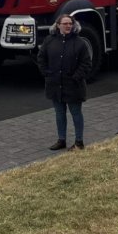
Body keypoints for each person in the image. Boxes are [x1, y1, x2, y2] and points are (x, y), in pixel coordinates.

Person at [36, 13, 91, 151]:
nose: (68, 26)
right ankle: (61, 140)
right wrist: (46, 73)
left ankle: (79, 142)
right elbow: (41, 58)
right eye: (65, 23)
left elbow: (86, 63)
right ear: (58, 25)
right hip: (55, 85)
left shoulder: (80, 43)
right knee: (59, 113)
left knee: (76, 113)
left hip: (73, 86)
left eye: (70, 24)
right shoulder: (49, 40)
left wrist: (76, 77)